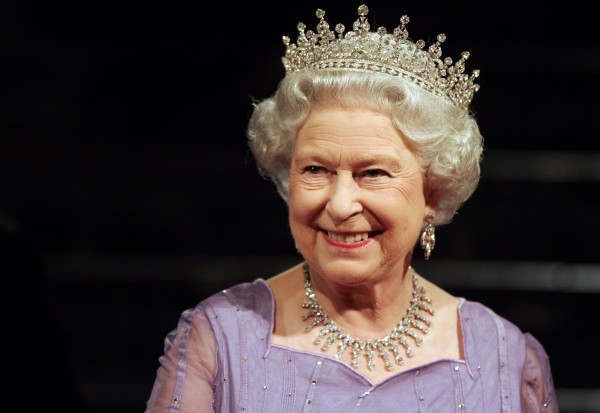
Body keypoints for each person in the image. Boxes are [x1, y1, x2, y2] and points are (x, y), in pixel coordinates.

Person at [145, 4, 558, 412]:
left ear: (433, 192)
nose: (340, 205)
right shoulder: (219, 338)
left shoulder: (506, 359)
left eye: (373, 173)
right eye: (315, 169)